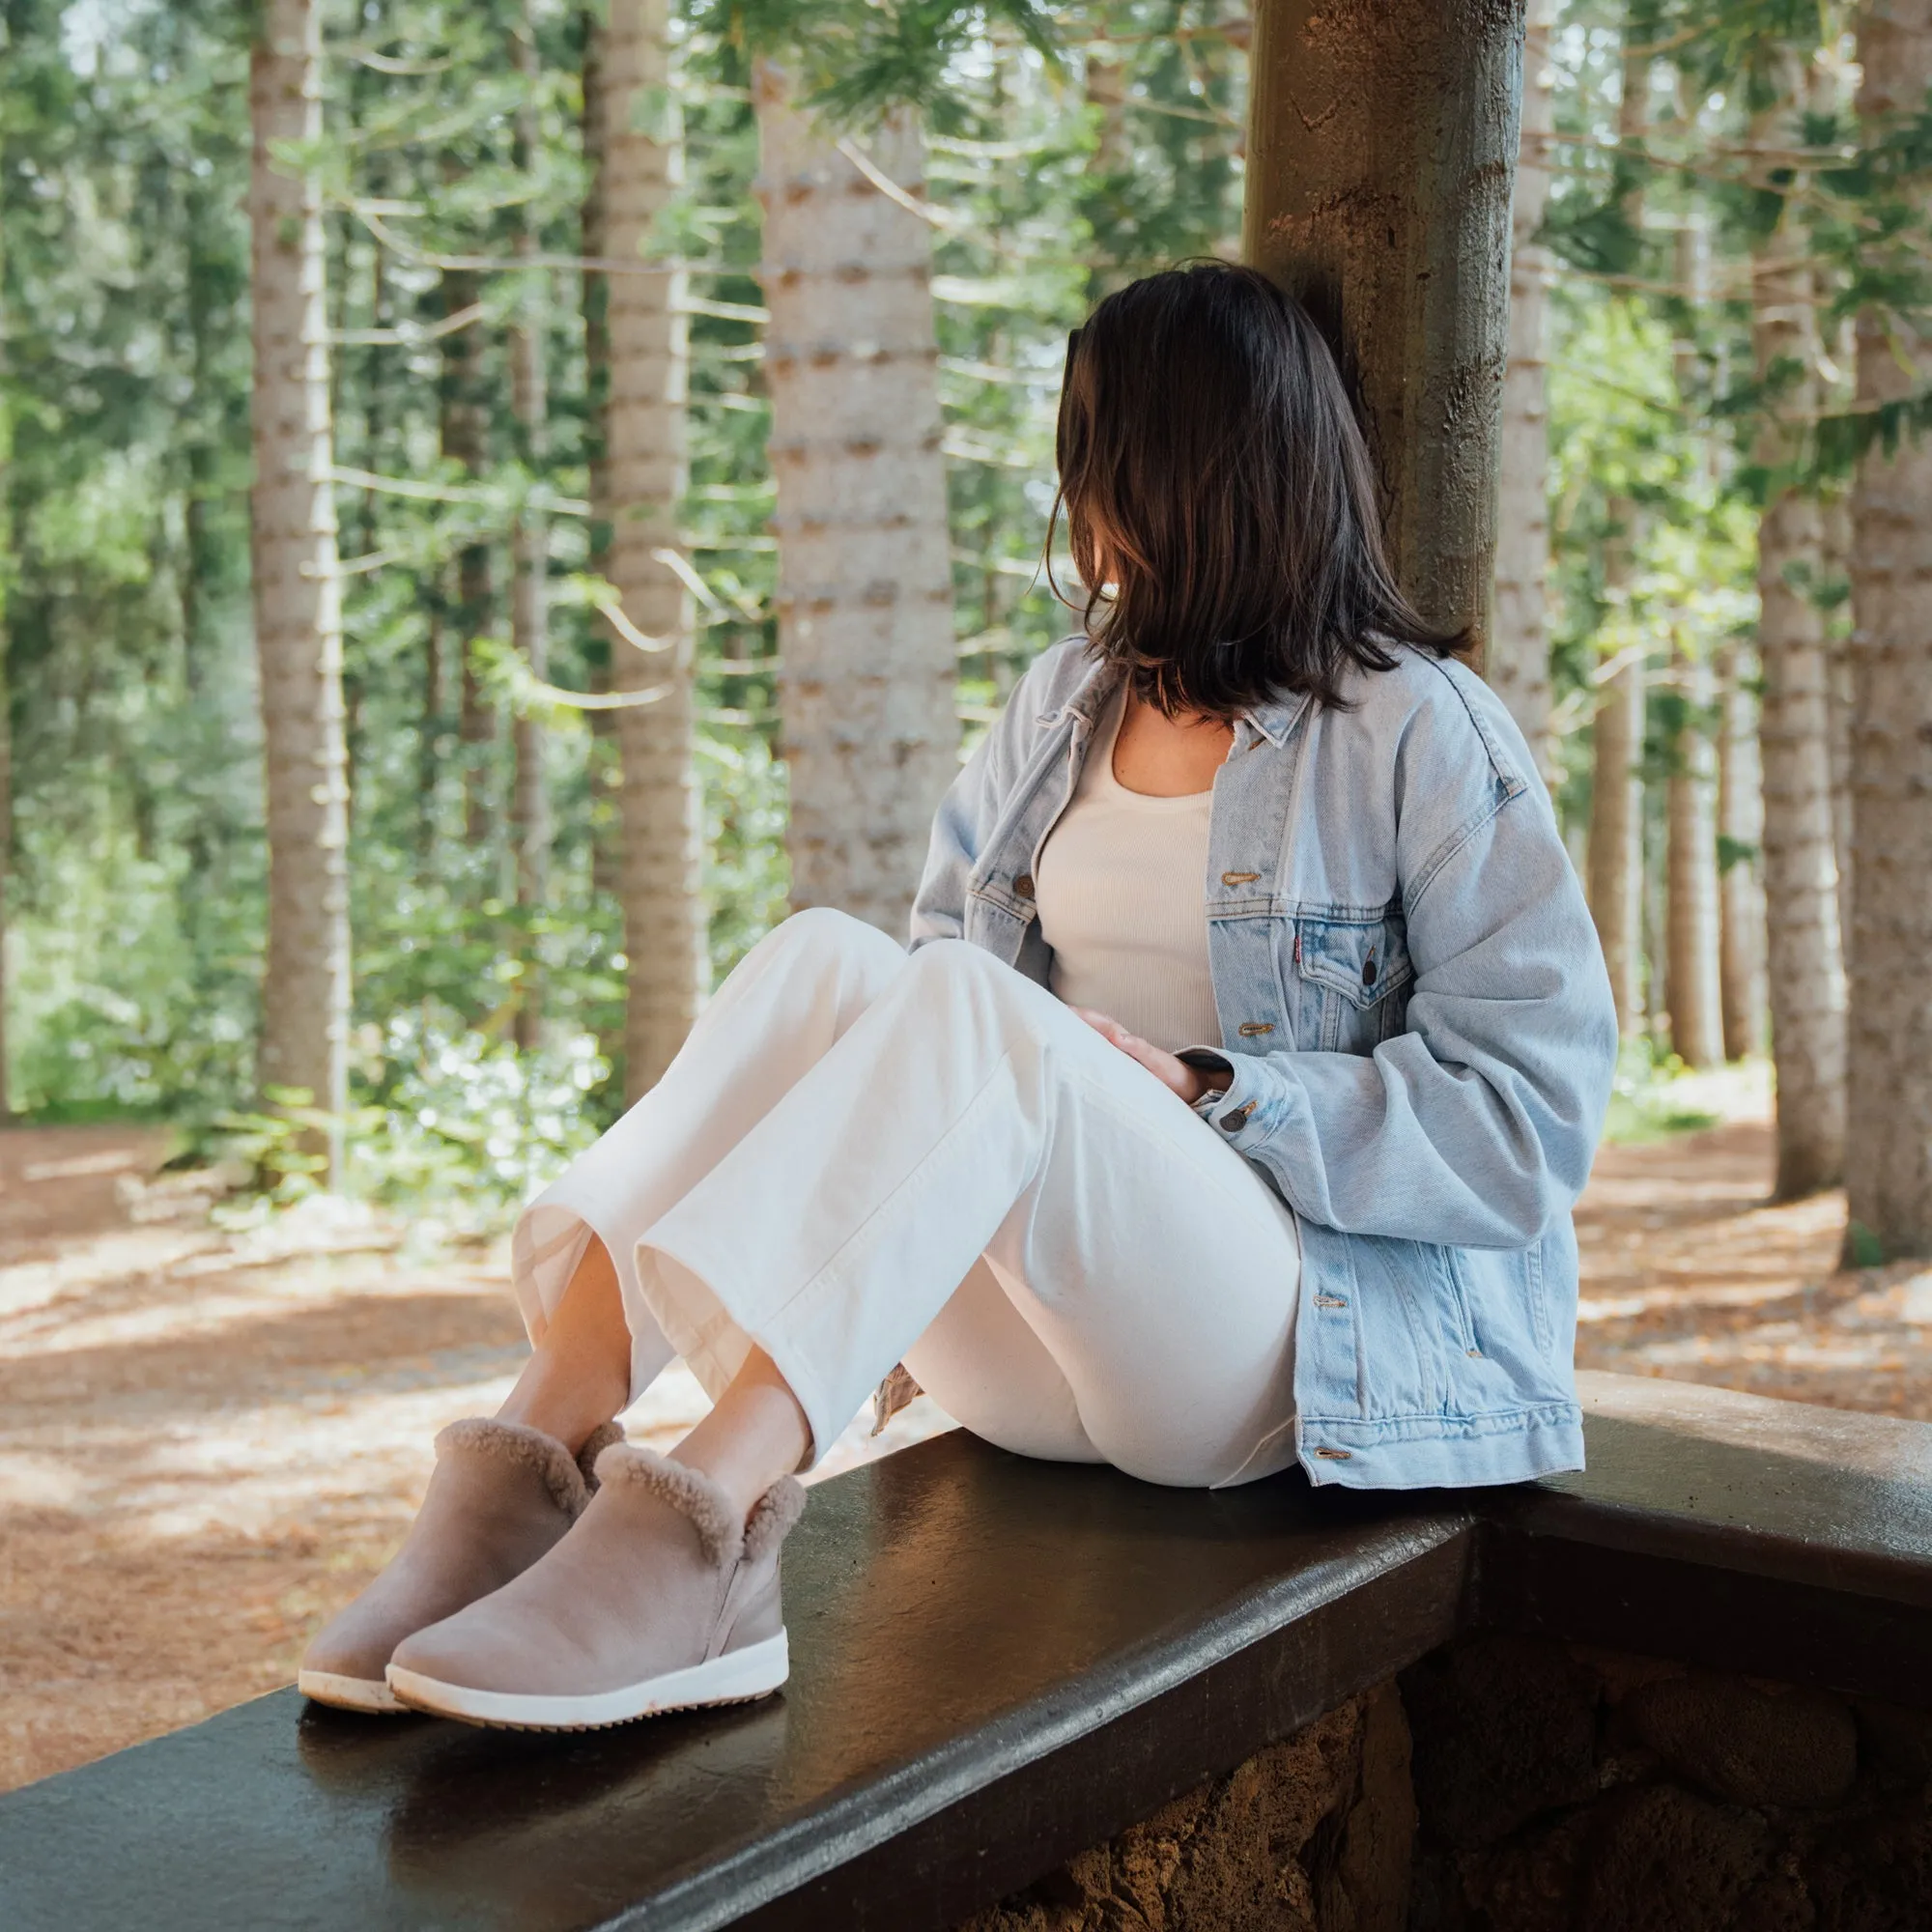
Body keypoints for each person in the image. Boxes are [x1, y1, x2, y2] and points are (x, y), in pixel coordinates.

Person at [299, 261, 1619, 1734]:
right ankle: (524, 1466)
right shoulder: (1061, 704)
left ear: (1174, 472)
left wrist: (1212, 1091)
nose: (1083, 506)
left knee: (976, 1012)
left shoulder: (1416, 730)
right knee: (828, 960)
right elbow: (923, 1013)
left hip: (1276, 1354)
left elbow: (1533, 1120)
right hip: (1038, 1361)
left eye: (1094, 455)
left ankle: (701, 1537)